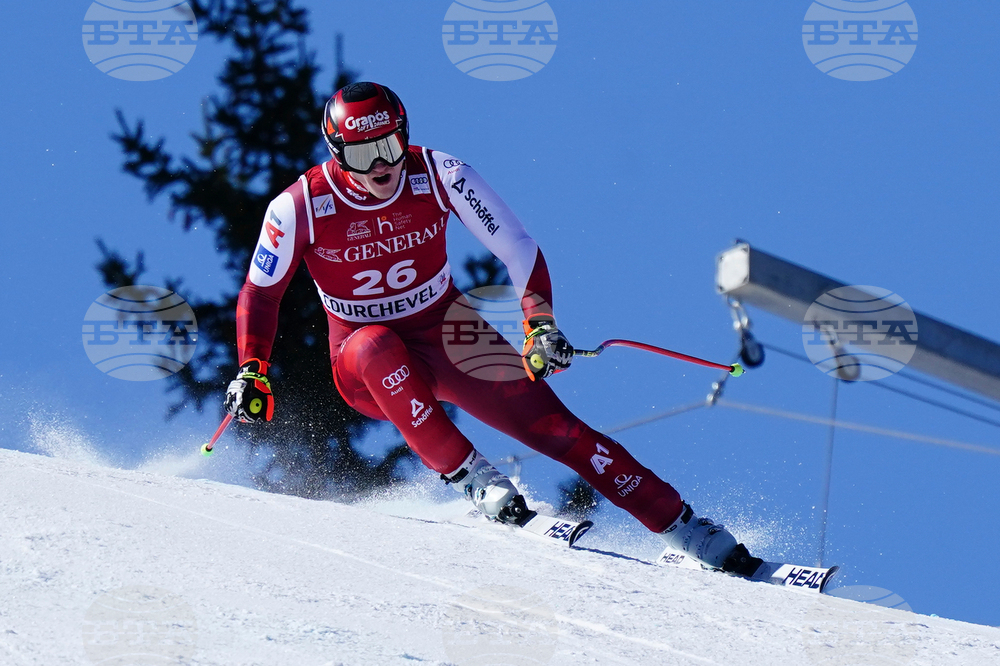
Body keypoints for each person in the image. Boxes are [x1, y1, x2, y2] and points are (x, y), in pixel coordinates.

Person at [224, 81, 763, 576]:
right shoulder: (300, 206)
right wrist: (252, 370)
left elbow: (517, 246)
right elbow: (260, 292)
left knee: (559, 429)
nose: (381, 166)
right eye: (363, 155)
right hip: (363, 361)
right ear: (336, 153)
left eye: (389, 146)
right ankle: (474, 480)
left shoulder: (440, 173)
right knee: (376, 342)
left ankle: (686, 528)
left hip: (446, 330)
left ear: (404, 135)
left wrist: (539, 324)